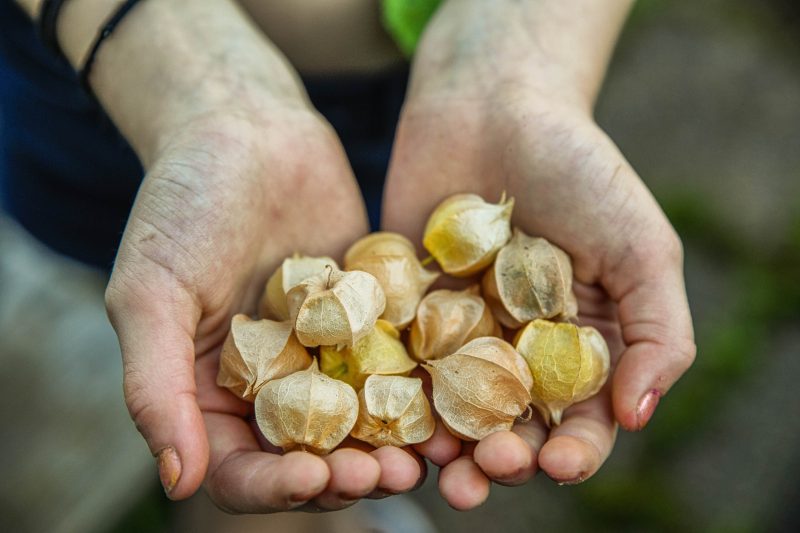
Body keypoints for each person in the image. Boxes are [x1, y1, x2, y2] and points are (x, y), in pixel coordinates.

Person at [4, 0, 695, 516]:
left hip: (439, 77)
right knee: (148, 282)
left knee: (294, 461)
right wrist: (171, 61)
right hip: (115, 73)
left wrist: (523, 57)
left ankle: (309, 517)